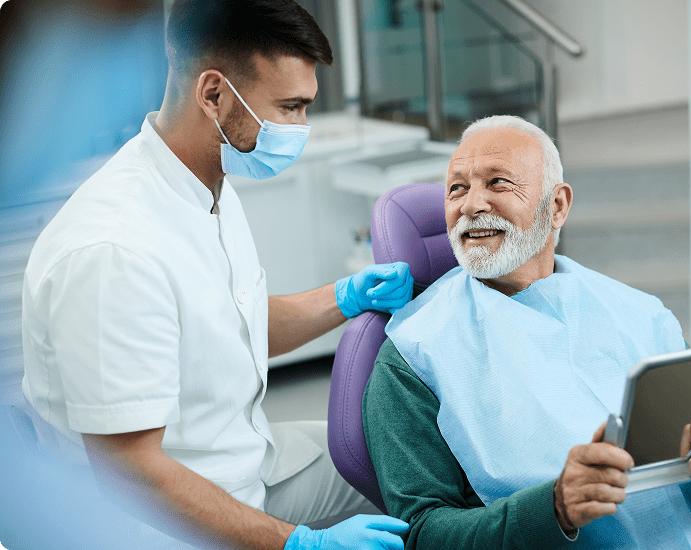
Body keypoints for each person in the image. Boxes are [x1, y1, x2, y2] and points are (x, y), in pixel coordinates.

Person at [20, 1, 411, 549]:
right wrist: (299, 544)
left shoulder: (205, 183)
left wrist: (345, 297)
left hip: (244, 466)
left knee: (407, 456)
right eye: (290, 107)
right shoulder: (114, 250)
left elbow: (231, 324)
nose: (301, 129)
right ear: (213, 95)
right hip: (163, 526)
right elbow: (131, 472)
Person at [363, 115, 691, 549]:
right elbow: (421, 534)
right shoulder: (414, 354)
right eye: (457, 187)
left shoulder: (631, 309)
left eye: (497, 183)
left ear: (556, 206)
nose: (471, 204)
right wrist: (553, 507)